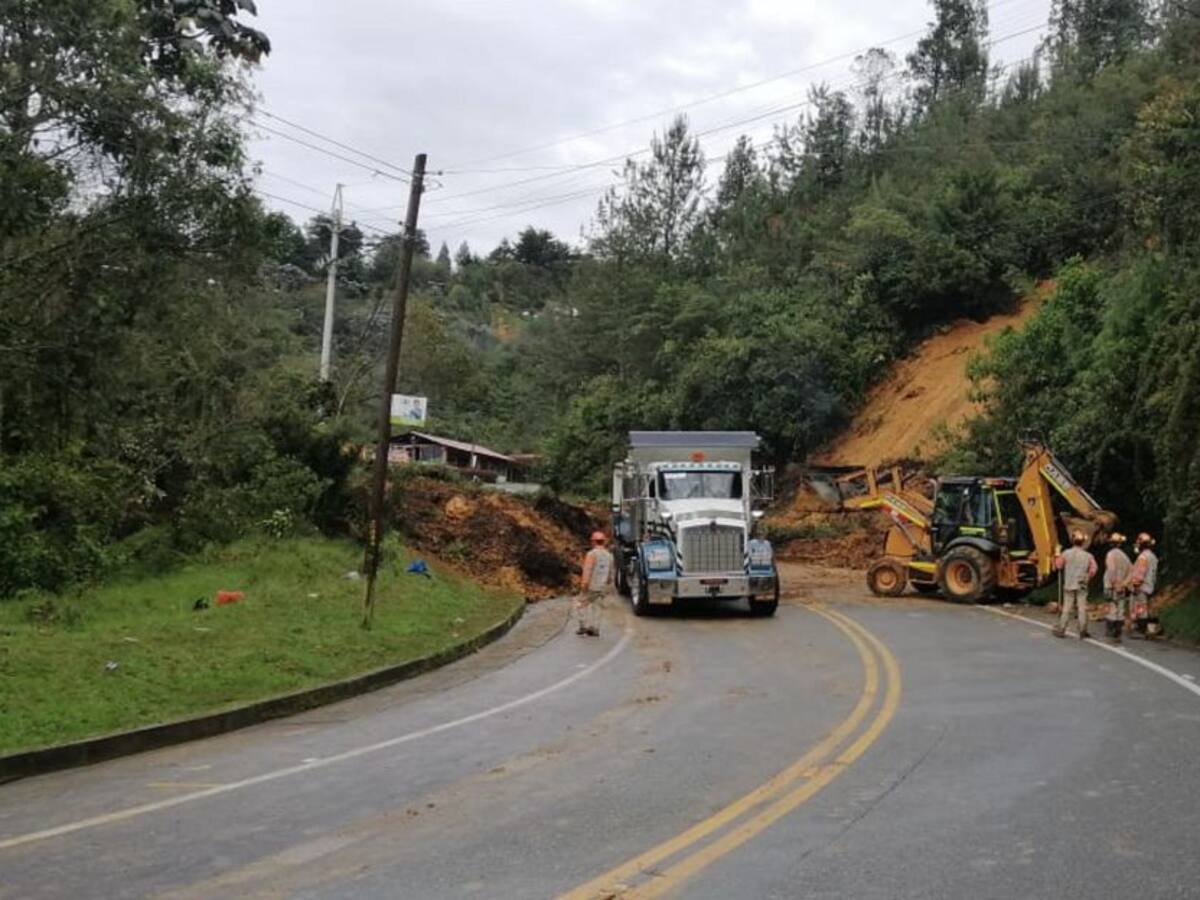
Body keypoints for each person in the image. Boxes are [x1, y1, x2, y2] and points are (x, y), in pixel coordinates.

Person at [1053, 530, 1097, 640]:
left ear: (1073, 541)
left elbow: (1058, 566)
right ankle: (1083, 630)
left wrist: (1057, 553)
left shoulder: (1066, 553)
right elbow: (1094, 569)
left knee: (1067, 607)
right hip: (1082, 584)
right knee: (1082, 608)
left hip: (1069, 584)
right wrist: (1087, 576)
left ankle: (1061, 629)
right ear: (1083, 542)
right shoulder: (1088, 555)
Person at [576, 530, 614, 637]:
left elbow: (587, 570)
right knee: (597, 606)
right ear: (603, 541)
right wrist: (608, 583)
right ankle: (595, 628)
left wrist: (584, 584)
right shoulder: (609, 555)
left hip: (591, 585)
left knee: (581, 604)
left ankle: (583, 626)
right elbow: (611, 572)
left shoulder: (591, 554)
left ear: (593, 542)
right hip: (602, 587)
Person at [1128, 532, 1159, 638]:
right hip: (1149, 586)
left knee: (1139, 609)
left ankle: (1140, 631)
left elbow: (1140, 573)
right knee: (1145, 608)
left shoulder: (1142, 557)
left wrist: (1135, 585)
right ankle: (1149, 629)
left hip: (1141, 587)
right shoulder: (1152, 556)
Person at [1102, 533, 1131, 644]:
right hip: (1122, 586)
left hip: (1111, 586)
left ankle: (1111, 632)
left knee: (1112, 607)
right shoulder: (1125, 557)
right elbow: (1131, 571)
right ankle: (1118, 632)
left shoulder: (1110, 554)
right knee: (1120, 608)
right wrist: (1124, 584)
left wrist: (1115, 584)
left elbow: (1111, 569)